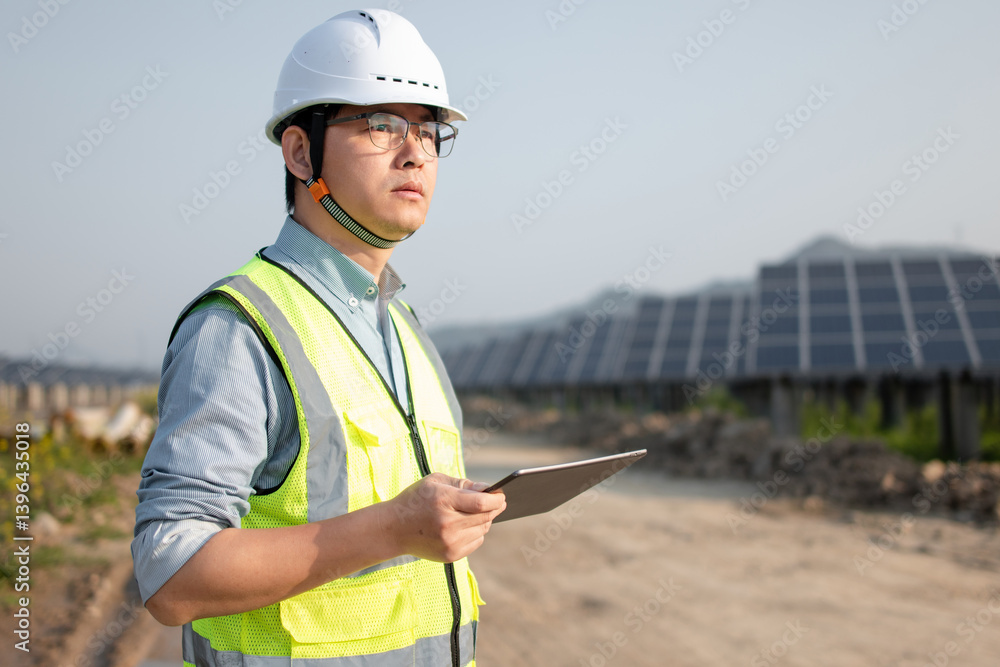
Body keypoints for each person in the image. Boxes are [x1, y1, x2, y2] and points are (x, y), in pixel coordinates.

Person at [131, 10, 505, 667]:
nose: (415, 152)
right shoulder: (241, 327)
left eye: (427, 130)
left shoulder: (404, 327)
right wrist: (393, 528)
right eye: (381, 124)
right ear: (301, 152)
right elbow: (170, 572)